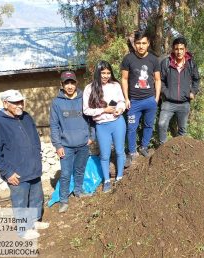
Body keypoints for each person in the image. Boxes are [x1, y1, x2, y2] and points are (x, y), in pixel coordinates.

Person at [0, 89, 49, 240]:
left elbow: (35, 137)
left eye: (21, 102)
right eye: (15, 103)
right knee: (20, 201)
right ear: (5, 103)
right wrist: (6, 172)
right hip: (16, 172)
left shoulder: (26, 117)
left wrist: (37, 156)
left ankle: (34, 221)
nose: (19, 105)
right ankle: (23, 230)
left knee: (37, 197)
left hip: (33, 167)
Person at [49, 71, 96, 213]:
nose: (69, 86)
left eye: (72, 82)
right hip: (66, 146)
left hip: (83, 144)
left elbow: (92, 119)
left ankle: (78, 190)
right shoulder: (56, 103)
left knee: (80, 170)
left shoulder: (84, 99)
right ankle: (63, 200)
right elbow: (54, 125)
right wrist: (58, 145)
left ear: (76, 83)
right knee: (65, 173)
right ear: (62, 85)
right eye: (66, 83)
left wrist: (92, 137)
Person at [83, 61, 126, 193]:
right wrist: (103, 110)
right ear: (98, 73)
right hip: (102, 126)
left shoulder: (115, 85)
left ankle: (119, 177)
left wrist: (120, 109)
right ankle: (106, 181)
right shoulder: (89, 88)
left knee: (119, 151)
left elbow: (122, 101)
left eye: (108, 73)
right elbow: (86, 110)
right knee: (105, 155)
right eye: (103, 73)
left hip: (118, 122)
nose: (106, 76)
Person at [120, 30, 161, 166]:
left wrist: (156, 98)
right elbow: (124, 79)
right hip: (134, 102)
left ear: (148, 43)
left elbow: (157, 80)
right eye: (138, 43)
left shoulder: (153, 59)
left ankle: (144, 147)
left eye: (144, 43)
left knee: (149, 125)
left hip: (150, 100)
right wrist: (126, 99)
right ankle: (132, 152)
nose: (141, 46)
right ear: (134, 44)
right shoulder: (128, 59)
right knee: (131, 128)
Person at [158, 37, 200, 144]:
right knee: (161, 124)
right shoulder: (166, 63)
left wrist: (193, 92)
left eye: (181, 49)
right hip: (168, 102)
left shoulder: (191, 64)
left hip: (184, 103)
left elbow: (196, 79)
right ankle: (163, 149)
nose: (179, 51)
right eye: (176, 49)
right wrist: (166, 92)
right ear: (173, 49)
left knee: (182, 130)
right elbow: (160, 80)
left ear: (185, 49)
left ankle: (181, 154)